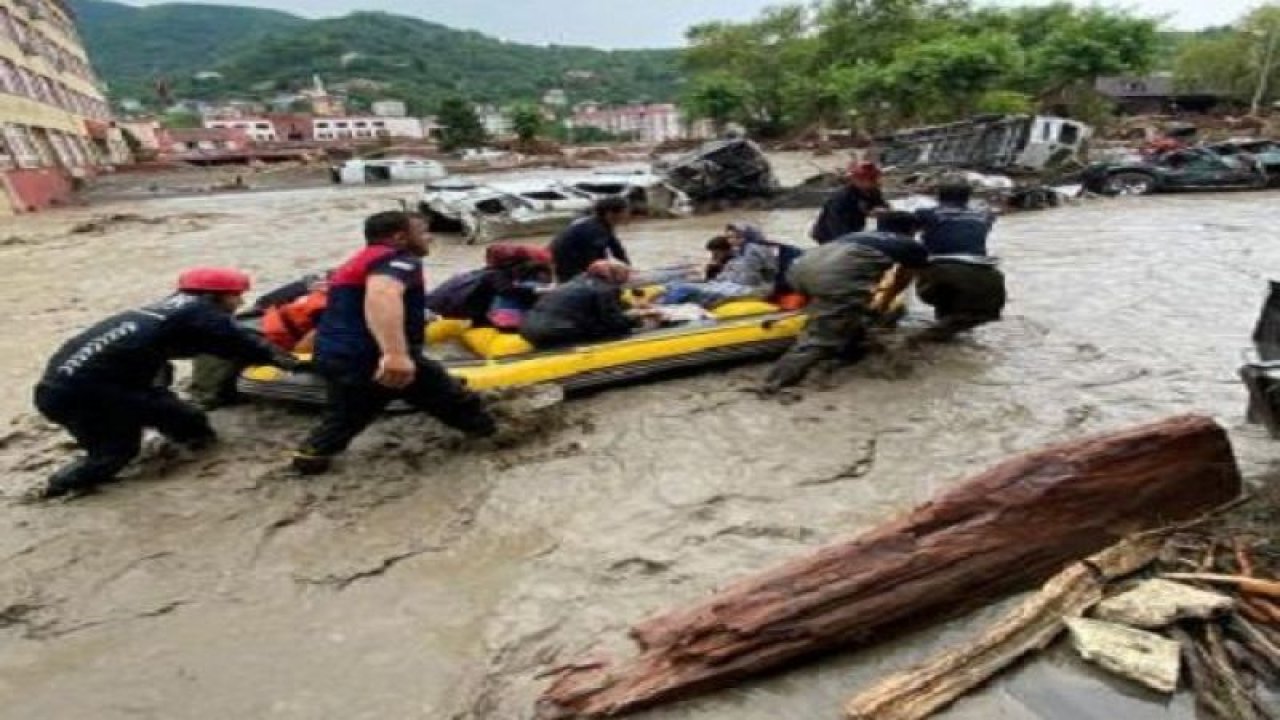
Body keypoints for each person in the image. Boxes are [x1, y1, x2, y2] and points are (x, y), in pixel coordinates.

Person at [33, 268, 300, 498]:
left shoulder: (159, 312)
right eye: (236, 295)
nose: (240, 302)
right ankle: (56, 490)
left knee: (164, 415)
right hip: (90, 394)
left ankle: (168, 447)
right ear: (214, 297)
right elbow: (246, 345)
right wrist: (294, 363)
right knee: (123, 449)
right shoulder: (202, 312)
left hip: (58, 389)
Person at [292, 212, 497, 475]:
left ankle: (309, 456)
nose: (429, 238)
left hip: (338, 354)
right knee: (452, 398)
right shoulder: (397, 260)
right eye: (422, 232)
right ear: (401, 237)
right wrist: (395, 354)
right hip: (373, 356)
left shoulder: (356, 262)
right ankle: (497, 437)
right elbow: (382, 294)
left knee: (347, 415)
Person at [764, 212, 930, 392]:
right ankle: (774, 381)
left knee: (851, 311)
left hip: (797, 271)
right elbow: (902, 280)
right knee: (821, 338)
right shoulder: (910, 245)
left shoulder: (857, 235)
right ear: (912, 230)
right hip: (834, 280)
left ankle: (849, 350)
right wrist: (884, 303)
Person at [188, 273, 331, 409]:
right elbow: (302, 348)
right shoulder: (335, 306)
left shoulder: (331, 289)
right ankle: (207, 396)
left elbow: (266, 301)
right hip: (267, 332)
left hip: (269, 319)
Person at [913, 177, 1007, 341]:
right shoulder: (984, 215)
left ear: (938, 196)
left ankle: (924, 341)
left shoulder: (925, 214)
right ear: (968, 197)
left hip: (941, 272)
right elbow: (988, 219)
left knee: (944, 302)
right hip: (988, 275)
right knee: (967, 317)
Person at [520, 260, 656, 348]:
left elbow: (606, 306)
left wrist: (632, 308)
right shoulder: (604, 289)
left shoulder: (575, 282)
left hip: (528, 331)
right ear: (615, 276)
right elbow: (614, 321)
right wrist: (639, 318)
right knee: (616, 330)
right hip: (555, 332)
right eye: (625, 277)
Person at [425, 243, 553, 330]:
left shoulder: (478, 274)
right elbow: (508, 290)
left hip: (438, 305)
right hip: (459, 311)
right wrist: (539, 290)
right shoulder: (496, 276)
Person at [659, 223, 779, 308]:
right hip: (736, 285)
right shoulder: (740, 251)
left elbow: (749, 279)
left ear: (747, 236)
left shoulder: (754, 250)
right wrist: (713, 282)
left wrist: (717, 285)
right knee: (674, 285)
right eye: (729, 238)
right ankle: (661, 308)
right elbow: (728, 274)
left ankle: (662, 310)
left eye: (736, 237)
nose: (731, 241)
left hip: (753, 290)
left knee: (682, 289)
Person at [549, 196, 631, 282]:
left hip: (571, 262)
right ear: (610, 213)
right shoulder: (593, 229)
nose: (628, 214)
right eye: (625, 211)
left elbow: (617, 250)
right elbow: (593, 259)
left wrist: (628, 268)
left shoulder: (601, 224)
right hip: (568, 266)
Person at [810, 161, 890, 245]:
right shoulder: (843, 197)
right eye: (871, 179)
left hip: (855, 227)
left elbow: (881, 206)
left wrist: (881, 211)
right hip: (829, 233)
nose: (876, 182)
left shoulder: (873, 191)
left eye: (875, 178)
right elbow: (836, 223)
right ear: (856, 180)